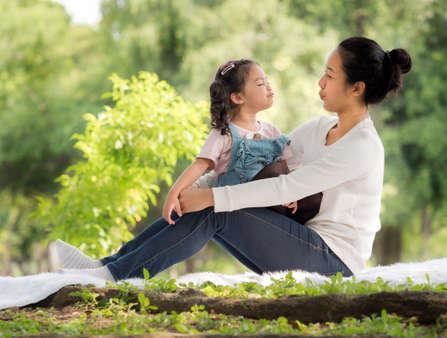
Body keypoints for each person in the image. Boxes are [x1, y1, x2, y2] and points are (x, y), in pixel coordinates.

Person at [56, 37, 412, 282]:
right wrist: (198, 186)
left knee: (216, 209)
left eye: (330, 75)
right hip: (303, 241)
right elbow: (260, 160)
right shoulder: (320, 128)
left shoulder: (362, 145)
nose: (320, 82)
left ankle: (112, 276)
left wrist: (208, 196)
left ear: (357, 88)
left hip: (334, 263)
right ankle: (109, 266)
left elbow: (286, 185)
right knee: (211, 203)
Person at [162, 59, 295, 226]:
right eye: (261, 84)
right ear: (238, 97)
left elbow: (286, 166)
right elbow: (199, 165)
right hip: (234, 209)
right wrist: (174, 193)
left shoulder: (272, 132)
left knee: (278, 170)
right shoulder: (224, 134)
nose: (269, 87)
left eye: (267, 81)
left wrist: (292, 193)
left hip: (267, 210)